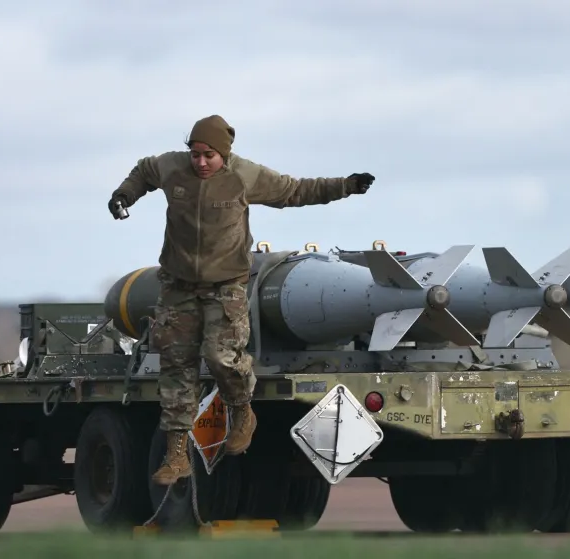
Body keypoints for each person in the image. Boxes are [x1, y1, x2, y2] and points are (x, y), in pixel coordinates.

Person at [108, 115, 375, 486]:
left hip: (226, 285)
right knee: (175, 368)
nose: (201, 162)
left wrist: (345, 186)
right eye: (196, 154)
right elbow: (142, 172)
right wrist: (124, 195)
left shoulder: (245, 176)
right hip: (178, 286)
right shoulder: (171, 167)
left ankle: (242, 413)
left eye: (209, 156)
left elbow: (295, 191)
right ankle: (175, 456)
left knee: (222, 356)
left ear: (225, 154)